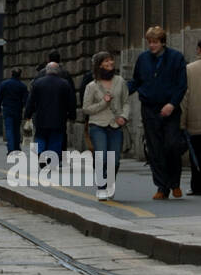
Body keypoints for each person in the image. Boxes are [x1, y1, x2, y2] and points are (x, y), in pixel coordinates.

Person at [128, 25, 188, 201]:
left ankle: (174, 182)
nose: (151, 46)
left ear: (163, 42)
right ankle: (162, 187)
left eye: (155, 42)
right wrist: (121, 92)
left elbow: (181, 84)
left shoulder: (176, 58)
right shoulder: (143, 59)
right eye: (149, 42)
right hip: (149, 108)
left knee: (172, 145)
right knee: (155, 149)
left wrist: (172, 103)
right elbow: (136, 81)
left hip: (170, 108)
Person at [82, 51, 129, 200]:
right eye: (106, 61)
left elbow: (126, 102)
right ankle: (101, 187)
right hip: (97, 125)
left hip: (116, 125)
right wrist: (104, 102)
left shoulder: (120, 81)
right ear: (99, 64)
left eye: (111, 60)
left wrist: (124, 116)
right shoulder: (92, 86)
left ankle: (110, 183)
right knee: (101, 157)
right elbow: (86, 108)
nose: (110, 63)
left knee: (114, 160)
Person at [24, 61, 76, 160]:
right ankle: (51, 159)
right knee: (55, 140)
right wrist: (72, 116)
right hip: (59, 118)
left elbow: (31, 101)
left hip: (41, 118)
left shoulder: (38, 83)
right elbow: (71, 101)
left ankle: (40, 153)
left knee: (40, 137)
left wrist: (28, 114)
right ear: (58, 71)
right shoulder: (64, 84)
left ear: (46, 70)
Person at [183, 39, 201, 197]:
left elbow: (185, 97)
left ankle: (196, 186)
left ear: (198, 50)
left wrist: (182, 122)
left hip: (195, 120)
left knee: (196, 154)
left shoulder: (189, 69)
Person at [0, 67, 28, 154]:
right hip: (18, 109)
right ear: (20, 75)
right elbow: (26, 100)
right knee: (16, 129)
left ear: (11, 74)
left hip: (7, 109)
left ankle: (11, 149)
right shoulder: (23, 86)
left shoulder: (4, 84)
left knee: (9, 129)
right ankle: (17, 148)